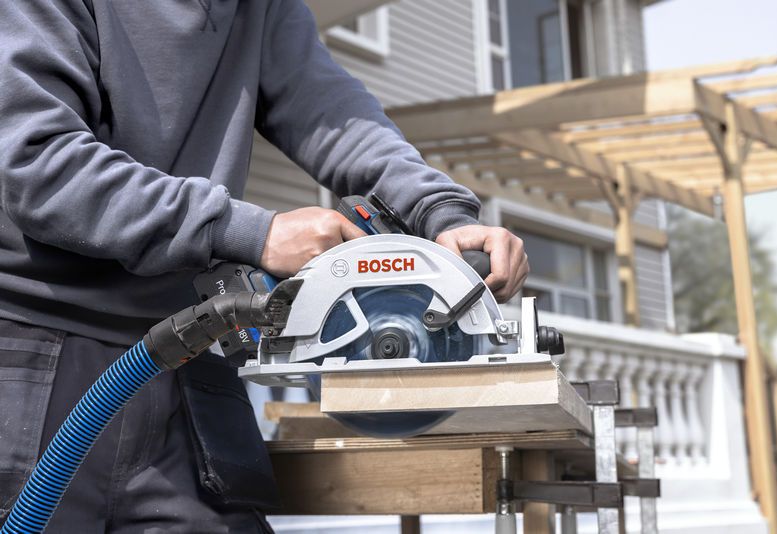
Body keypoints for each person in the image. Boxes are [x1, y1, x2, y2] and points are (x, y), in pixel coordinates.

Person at [0, 1, 529, 532]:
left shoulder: (260, 7)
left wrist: (441, 213)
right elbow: (38, 164)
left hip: (192, 350)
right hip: (39, 354)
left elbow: (335, 115)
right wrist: (253, 232)